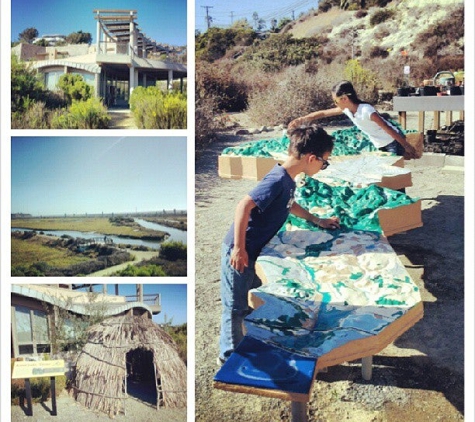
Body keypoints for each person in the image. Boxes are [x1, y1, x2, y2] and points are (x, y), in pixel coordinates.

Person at [218, 125, 341, 365]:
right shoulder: (277, 179)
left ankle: (247, 338)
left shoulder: (288, 179)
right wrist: (238, 248)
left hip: (252, 250)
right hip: (240, 251)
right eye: (324, 163)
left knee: (252, 296)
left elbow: (289, 204)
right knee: (235, 306)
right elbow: (244, 205)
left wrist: (316, 220)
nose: (323, 167)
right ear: (311, 158)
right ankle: (229, 357)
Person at [288, 80, 417, 158]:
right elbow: (323, 113)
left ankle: (404, 204)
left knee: (396, 177)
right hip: (380, 143)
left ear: (344, 99)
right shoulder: (347, 110)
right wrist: (302, 119)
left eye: (335, 101)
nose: (335, 104)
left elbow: (387, 127)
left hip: (393, 142)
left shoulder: (366, 111)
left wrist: (405, 145)